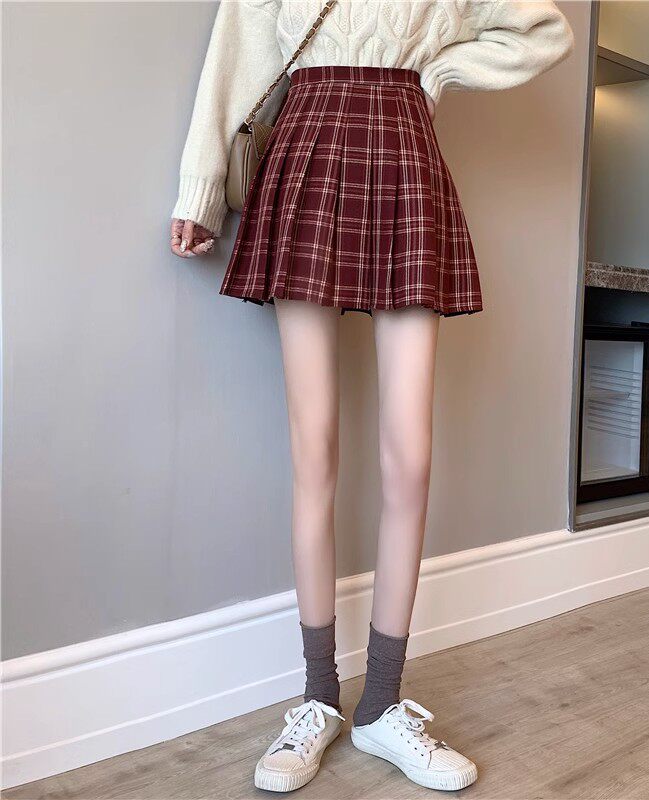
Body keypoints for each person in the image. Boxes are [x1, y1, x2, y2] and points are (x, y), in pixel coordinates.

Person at [170, 0, 573, 791]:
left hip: (405, 157)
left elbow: (544, 28)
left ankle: (382, 703)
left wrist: (440, 73)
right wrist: (200, 192)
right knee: (313, 452)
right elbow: (234, 61)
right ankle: (318, 698)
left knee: (410, 461)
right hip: (306, 151)